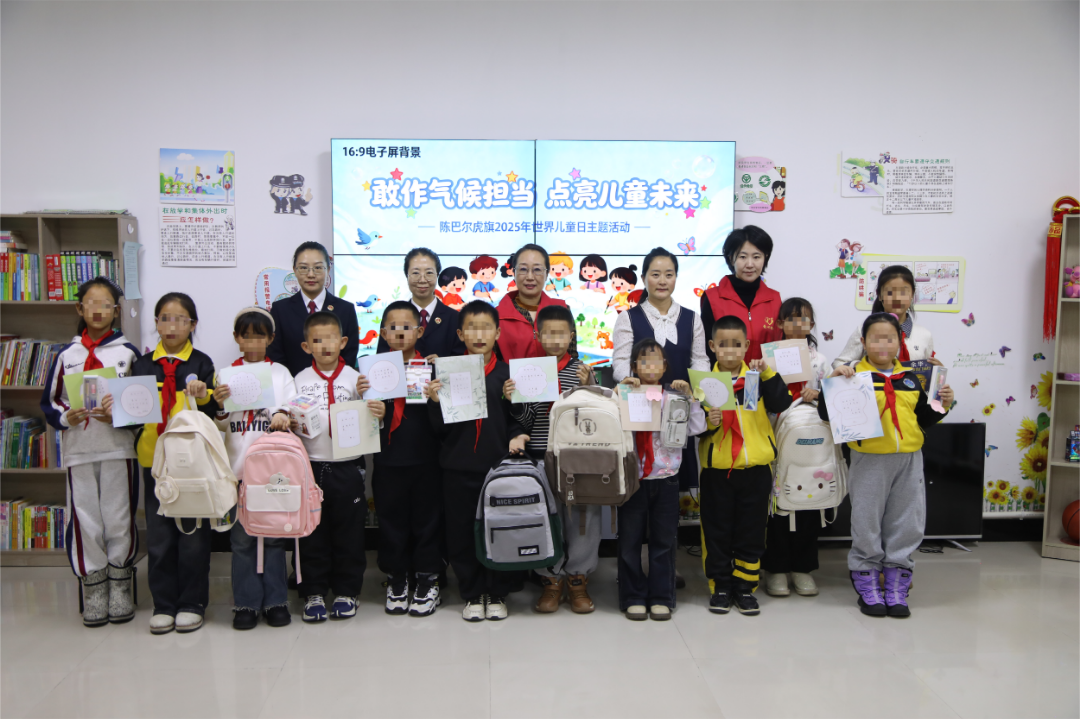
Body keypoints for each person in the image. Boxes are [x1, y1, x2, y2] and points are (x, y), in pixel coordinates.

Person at [820, 313, 953, 617]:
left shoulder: (911, 377)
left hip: (909, 460)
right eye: (875, 338)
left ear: (899, 341)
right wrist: (833, 383)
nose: (883, 344)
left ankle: (896, 584)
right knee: (866, 521)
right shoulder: (852, 376)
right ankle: (867, 582)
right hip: (869, 460)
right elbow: (827, 415)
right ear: (863, 342)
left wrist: (943, 402)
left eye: (889, 338)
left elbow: (924, 419)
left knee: (907, 521)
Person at [40, 277, 141, 627]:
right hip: (79, 451)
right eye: (91, 303)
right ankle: (93, 585)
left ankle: (120, 582)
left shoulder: (128, 353)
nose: (98, 310)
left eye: (105, 304)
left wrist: (120, 415)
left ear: (116, 310)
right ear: (79, 308)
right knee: (85, 518)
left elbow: (140, 403)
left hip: (118, 450)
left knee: (119, 518)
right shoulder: (66, 356)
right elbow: (50, 402)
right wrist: (65, 417)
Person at [426, 301, 529, 622]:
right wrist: (435, 402)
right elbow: (439, 430)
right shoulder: (449, 373)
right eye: (471, 328)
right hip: (457, 468)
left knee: (499, 529)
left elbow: (518, 422)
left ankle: (496, 591)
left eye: (486, 328)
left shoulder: (507, 374)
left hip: (497, 469)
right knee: (461, 532)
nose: (479, 334)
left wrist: (515, 411)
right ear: (460, 334)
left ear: (498, 333)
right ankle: (472, 592)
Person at [132, 292, 218, 635]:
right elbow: (131, 414)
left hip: (191, 464)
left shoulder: (202, 363)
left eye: (180, 319)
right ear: (155, 323)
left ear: (192, 325)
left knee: (193, 536)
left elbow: (214, 413)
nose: (172, 325)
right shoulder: (142, 364)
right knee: (159, 537)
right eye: (165, 318)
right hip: (153, 460)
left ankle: (192, 603)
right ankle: (164, 605)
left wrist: (203, 394)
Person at [291, 311, 383, 622]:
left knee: (349, 533)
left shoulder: (357, 379)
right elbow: (290, 415)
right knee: (312, 534)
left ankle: (347, 591)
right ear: (306, 347)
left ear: (343, 342)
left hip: (348, 466)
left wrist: (376, 407)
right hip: (310, 466)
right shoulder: (299, 380)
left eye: (331, 338)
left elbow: (372, 417)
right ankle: (314, 591)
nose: (325, 345)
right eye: (317, 340)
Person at [504, 304, 596, 613]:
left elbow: (596, 415)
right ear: (538, 336)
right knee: (545, 515)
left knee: (580, 517)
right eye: (548, 334)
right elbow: (526, 420)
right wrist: (514, 400)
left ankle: (578, 578)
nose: (555, 340)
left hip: (576, 461)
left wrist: (590, 387)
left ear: (571, 336)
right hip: (541, 459)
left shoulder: (582, 370)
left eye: (561, 334)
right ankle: (550, 578)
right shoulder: (530, 371)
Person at [699, 316, 792, 616]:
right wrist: (707, 422)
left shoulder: (757, 378)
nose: (729, 350)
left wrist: (768, 373)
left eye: (736, 344)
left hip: (756, 470)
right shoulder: (703, 383)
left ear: (747, 346)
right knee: (716, 532)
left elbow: (782, 403)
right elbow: (692, 428)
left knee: (752, 532)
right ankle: (720, 586)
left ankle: (745, 587)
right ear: (712, 346)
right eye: (722, 344)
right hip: (718, 472)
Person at [213, 307, 297, 631]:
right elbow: (219, 426)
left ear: (270, 338)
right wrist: (220, 406)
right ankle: (245, 603)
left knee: (274, 538)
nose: (252, 342)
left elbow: (293, 407)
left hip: (273, 470)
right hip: (237, 469)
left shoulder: (281, 373)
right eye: (246, 336)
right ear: (236, 338)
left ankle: (276, 601)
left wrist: (283, 414)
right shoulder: (225, 374)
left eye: (259, 336)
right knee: (242, 540)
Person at [616, 340, 705, 620]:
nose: (650, 366)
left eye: (656, 361)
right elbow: (610, 426)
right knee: (629, 540)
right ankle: (633, 595)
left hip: (666, 478)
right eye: (643, 361)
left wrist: (690, 398)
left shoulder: (673, 397)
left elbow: (698, 427)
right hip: (633, 479)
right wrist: (619, 392)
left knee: (664, 541)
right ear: (634, 367)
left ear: (665, 366)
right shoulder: (625, 395)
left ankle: (661, 596)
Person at [613, 247, 708, 494]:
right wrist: (629, 381)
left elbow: (700, 360)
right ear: (644, 278)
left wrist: (695, 393)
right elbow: (621, 360)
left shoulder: (692, 318)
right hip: (641, 410)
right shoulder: (628, 318)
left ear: (676, 277)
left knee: (673, 480)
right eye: (655, 274)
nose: (662, 281)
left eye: (669, 274)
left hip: (677, 411)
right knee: (640, 478)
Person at [374, 301, 444, 617]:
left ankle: (428, 579)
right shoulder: (372, 371)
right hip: (388, 459)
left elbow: (445, 421)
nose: (400, 333)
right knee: (391, 521)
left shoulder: (433, 369)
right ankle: (397, 578)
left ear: (420, 331)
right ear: (382, 333)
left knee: (428, 521)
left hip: (426, 458)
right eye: (393, 327)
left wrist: (435, 397)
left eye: (407, 327)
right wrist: (371, 409)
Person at [762, 298, 830, 599]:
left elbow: (833, 398)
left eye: (803, 319)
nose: (796, 324)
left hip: (809, 440)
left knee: (808, 498)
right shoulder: (769, 358)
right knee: (778, 501)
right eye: (790, 318)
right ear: (780, 323)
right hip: (776, 437)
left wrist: (819, 393)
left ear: (811, 325)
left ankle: (803, 568)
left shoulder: (820, 361)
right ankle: (775, 568)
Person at [268, 241, 359, 376]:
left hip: (335, 385)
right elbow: (276, 357)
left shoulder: (346, 310)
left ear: (328, 269)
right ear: (295, 270)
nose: (311, 274)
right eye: (304, 268)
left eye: (318, 267)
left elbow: (349, 355)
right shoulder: (280, 310)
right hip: (293, 386)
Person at [700, 226, 782, 364]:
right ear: (731, 259)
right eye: (742, 257)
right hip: (725, 377)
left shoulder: (775, 299)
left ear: (765, 258)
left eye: (756, 257)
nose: (749, 264)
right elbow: (706, 350)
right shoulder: (712, 298)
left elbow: (780, 347)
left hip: (765, 377)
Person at [833, 265, 938, 368]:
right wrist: (858, 366)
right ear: (879, 295)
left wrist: (937, 370)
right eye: (890, 292)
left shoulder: (925, 335)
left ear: (912, 294)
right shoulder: (864, 330)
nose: (897, 298)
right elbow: (839, 363)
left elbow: (928, 371)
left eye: (903, 292)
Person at [376, 248, 464, 360]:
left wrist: (443, 364)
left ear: (437, 275)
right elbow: (382, 359)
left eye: (429, 273)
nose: (422, 280)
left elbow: (463, 361)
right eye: (415, 273)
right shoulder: (393, 316)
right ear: (407, 276)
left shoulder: (455, 318)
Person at [496, 243, 573, 361]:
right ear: (514, 273)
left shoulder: (563, 309)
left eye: (537, 269)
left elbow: (572, 357)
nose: (530, 277)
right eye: (523, 269)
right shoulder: (496, 316)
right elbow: (491, 364)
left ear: (547, 274)